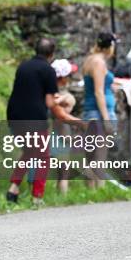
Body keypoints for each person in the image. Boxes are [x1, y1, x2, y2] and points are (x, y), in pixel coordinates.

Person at [5, 38, 58, 207]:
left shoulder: (23, 66)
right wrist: (61, 101)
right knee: (43, 156)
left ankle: (13, 189)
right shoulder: (49, 70)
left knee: (29, 151)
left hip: (14, 115)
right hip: (35, 118)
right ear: (52, 54)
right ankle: (37, 197)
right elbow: (50, 103)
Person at [81, 31, 117, 188]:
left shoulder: (89, 60)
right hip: (98, 112)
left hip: (90, 110)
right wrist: (107, 119)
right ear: (110, 47)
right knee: (100, 155)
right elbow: (98, 91)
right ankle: (99, 189)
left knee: (91, 153)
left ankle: (91, 191)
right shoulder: (99, 63)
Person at [50, 59, 80, 195]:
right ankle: (62, 198)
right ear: (62, 78)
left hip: (52, 134)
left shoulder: (49, 92)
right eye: (69, 75)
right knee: (63, 174)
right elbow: (64, 113)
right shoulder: (59, 96)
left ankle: (56, 197)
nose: (70, 78)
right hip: (60, 136)